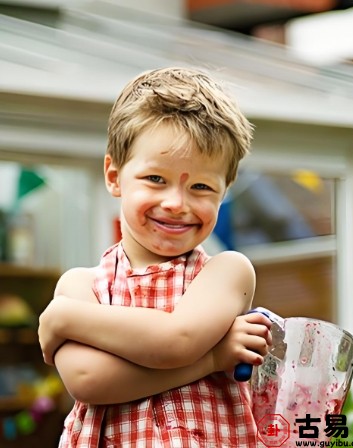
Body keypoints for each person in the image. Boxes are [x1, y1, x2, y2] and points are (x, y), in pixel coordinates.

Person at [38, 66, 272, 447]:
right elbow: (89, 381)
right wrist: (213, 357)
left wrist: (64, 316)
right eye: (155, 179)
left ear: (224, 190)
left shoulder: (226, 272)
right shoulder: (82, 285)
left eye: (200, 186)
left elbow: (177, 340)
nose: (176, 204)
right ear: (114, 176)